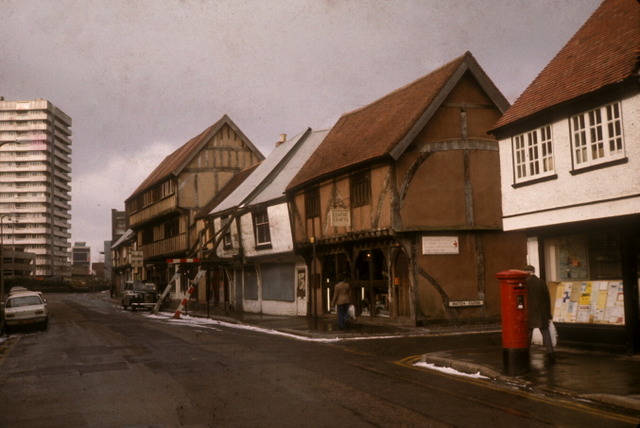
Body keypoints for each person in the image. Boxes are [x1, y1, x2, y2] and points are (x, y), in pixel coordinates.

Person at [524, 265, 555, 361]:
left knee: (528, 333)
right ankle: (551, 353)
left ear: (527, 272)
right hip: (542, 312)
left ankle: (525, 353)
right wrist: (549, 314)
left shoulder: (525, 282)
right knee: (545, 332)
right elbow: (547, 299)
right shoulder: (541, 282)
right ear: (534, 271)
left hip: (529, 312)